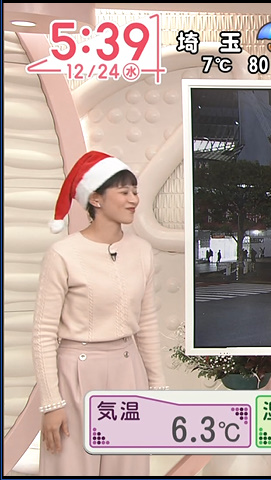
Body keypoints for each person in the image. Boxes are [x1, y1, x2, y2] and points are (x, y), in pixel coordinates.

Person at [33, 151, 168, 476]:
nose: (134, 199)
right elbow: (43, 333)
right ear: (96, 198)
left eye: (135, 191)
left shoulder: (142, 251)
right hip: (75, 374)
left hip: (128, 369)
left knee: (129, 467)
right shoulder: (63, 254)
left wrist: (158, 388)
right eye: (124, 192)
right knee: (71, 467)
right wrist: (52, 403)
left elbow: (147, 323)